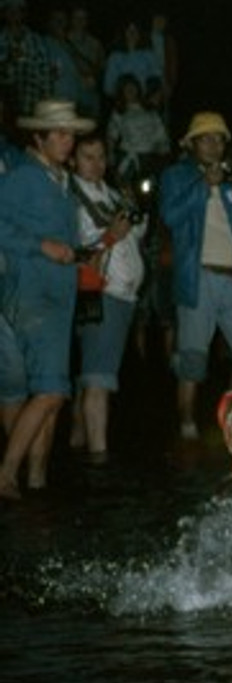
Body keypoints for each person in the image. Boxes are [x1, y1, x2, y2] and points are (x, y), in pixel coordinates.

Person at [0, 100, 95, 498]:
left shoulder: (61, 181)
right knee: (53, 389)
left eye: (70, 132)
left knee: (41, 390)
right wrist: (43, 246)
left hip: (56, 292)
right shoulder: (23, 177)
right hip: (34, 291)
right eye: (57, 133)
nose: (66, 140)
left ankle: (35, 481)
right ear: (37, 136)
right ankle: (6, 473)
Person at [160, 111, 232, 441]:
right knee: (193, 360)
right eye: (206, 138)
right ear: (192, 143)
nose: (214, 144)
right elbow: (169, 216)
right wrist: (203, 186)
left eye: (220, 138)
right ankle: (187, 424)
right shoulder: (176, 176)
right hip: (199, 278)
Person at [67, 133, 146, 463]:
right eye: (88, 157)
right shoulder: (70, 197)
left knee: (92, 371)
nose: (96, 164)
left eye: (101, 157)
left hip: (122, 294)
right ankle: (99, 460)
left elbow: (137, 233)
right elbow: (78, 250)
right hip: (100, 291)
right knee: (99, 377)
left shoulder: (111, 193)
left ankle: (77, 441)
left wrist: (133, 214)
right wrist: (111, 235)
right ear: (73, 160)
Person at [105, 73, 169, 187]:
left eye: (133, 87)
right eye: (127, 89)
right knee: (126, 191)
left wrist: (163, 149)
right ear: (122, 92)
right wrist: (110, 156)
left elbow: (160, 133)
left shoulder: (150, 110)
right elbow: (111, 136)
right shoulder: (119, 112)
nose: (131, 91)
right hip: (129, 158)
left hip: (150, 157)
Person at [0, 0, 55, 116]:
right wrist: (8, 60)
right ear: (3, 14)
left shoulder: (36, 40)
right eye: (9, 10)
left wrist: (47, 100)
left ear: (23, 14)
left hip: (32, 104)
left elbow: (45, 72)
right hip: (5, 107)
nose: (13, 14)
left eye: (17, 10)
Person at [102, 18, 162, 109]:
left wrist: (153, 97)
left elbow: (157, 79)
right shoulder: (115, 57)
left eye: (135, 31)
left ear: (140, 33)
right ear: (124, 33)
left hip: (145, 104)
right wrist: (122, 97)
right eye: (129, 30)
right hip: (123, 105)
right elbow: (108, 86)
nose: (132, 34)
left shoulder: (149, 55)